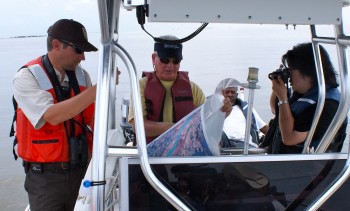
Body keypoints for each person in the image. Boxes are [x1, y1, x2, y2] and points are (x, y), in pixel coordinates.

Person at [12, 19, 100, 211]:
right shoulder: (26, 77)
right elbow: (51, 116)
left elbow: (94, 120)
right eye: (78, 50)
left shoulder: (82, 76)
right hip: (46, 181)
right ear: (56, 45)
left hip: (82, 171)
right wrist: (98, 89)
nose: (83, 57)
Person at [129, 35, 213, 144]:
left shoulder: (194, 89)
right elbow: (138, 126)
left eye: (176, 61)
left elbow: (207, 123)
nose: (170, 66)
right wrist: (177, 128)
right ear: (154, 58)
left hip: (184, 155)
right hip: (151, 156)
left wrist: (223, 113)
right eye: (165, 60)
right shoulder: (141, 86)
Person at [266, 42, 347, 154]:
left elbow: (289, 138)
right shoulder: (305, 94)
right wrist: (278, 89)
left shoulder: (326, 104)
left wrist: (283, 99)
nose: (288, 75)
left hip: (307, 168)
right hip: (286, 164)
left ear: (308, 71)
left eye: (291, 70)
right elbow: (276, 111)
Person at [220, 78, 269, 148]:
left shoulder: (247, 108)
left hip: (245, 144)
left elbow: (264, 128)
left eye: (232, 92)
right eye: (227, 92)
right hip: (226, 143)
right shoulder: (217, 110)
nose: (230, 94)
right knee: (219, 134)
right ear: (223, 94)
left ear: (236, 95)